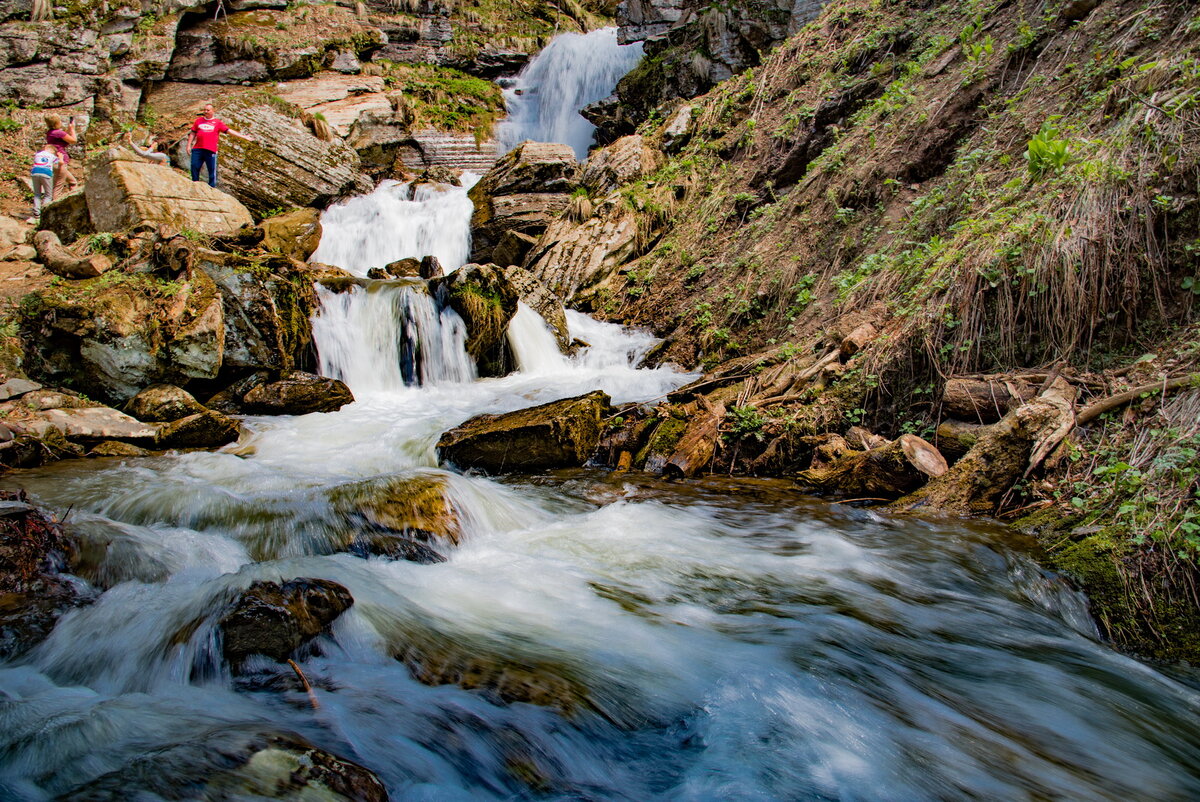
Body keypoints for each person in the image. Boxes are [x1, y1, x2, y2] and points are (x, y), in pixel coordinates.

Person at [187, 103, 255, 188]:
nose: (206, 112)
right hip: (198, 149)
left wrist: (244, 137)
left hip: (210, 149)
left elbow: (229, 131)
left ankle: (212, 187)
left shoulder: (217, 122)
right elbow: (193, 133)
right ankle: (195, 184)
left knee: (212, 170)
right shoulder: (198, 121)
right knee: (194, 166)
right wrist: (189, 145)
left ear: (213, 111)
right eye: (205, 110)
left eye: (208, 110)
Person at [44, 113, 79, 195]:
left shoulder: (50, 133)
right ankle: (52, 204)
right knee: (58, 186)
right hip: (60, 161)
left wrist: (69, 129)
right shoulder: (58, 133)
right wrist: (73, 129)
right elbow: (73, 140)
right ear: (57, 122)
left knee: (73, 182)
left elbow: (64, 137)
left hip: (54, 160)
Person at [30, 144, 58, 220]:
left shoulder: (37, 154)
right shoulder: (52, 156)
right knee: (48, 194)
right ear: (51, 150)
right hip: (46, 173)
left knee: (37, 194)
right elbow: (57, 165)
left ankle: (36, 213)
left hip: (35, 172)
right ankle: (44, 211)